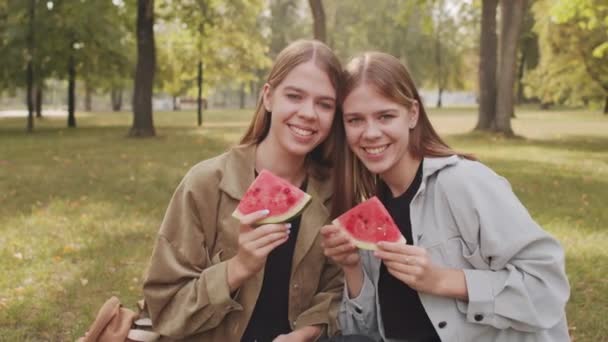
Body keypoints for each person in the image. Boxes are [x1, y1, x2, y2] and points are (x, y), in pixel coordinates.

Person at [320, 52, 571, 341]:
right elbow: (364, 332)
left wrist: (441, 280)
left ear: (412, 114)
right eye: (355, 120)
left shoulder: (465, 182)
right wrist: (352, 268)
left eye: (385, 116)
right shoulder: (373, 208)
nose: (371, 133)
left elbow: (547, 287)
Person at [143, 40, 345, 342]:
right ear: (268, 97)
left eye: (324, 104)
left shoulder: (334, 194)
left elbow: (336, 292)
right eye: (294, 96)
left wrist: (305, 334)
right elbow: (165, 309)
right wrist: (238, 268)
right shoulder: (205, 184)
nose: (308, 113)